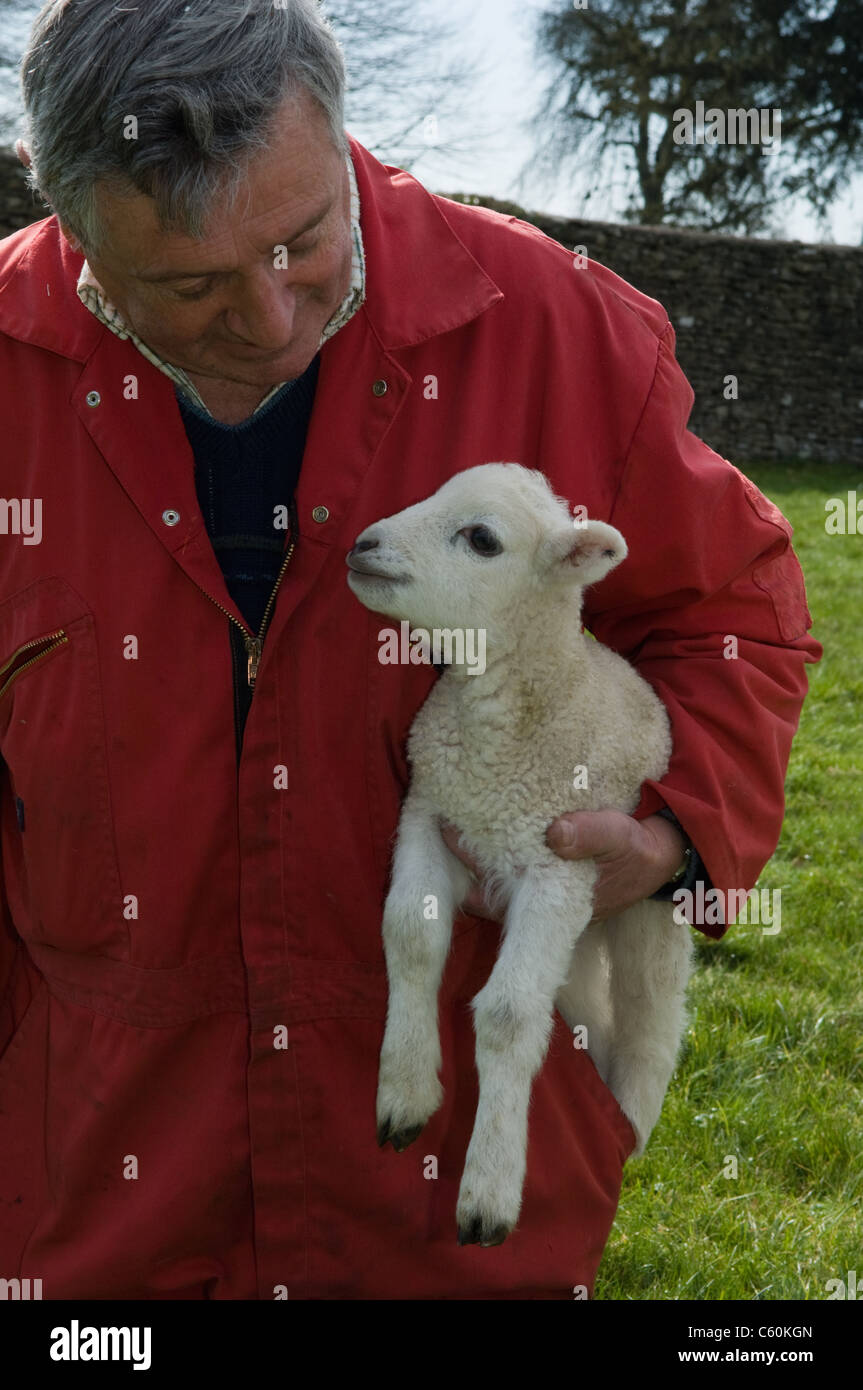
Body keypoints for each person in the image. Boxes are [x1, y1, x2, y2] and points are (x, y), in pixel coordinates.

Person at [0, 0, 820, 1300]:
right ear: (67, 216)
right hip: (101, 1226)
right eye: (193, 286)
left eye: (303, 241)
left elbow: (743, 618)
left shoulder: (561, 333)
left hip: (455, 1231)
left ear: (337, 128)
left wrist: (673, 836)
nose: (269, 319)